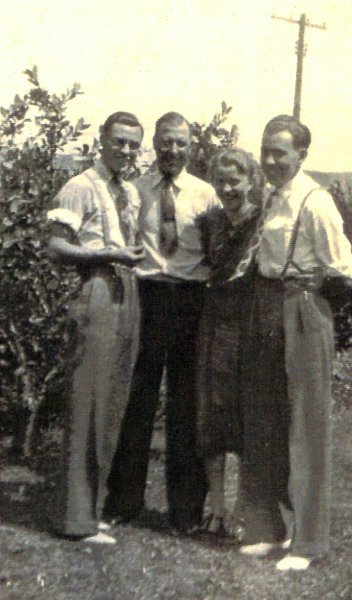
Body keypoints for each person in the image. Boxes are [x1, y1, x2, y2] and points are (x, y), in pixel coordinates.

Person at [239, 115, 352, 570]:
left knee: (306, 424)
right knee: (264, 418)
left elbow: (344, 270)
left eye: (280, 152)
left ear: (301, 155)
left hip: (304, 310)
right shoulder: (272, 196)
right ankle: (270, 528)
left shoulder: (315, 200)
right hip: (267, 305)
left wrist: (316, 282)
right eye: (265, 150)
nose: (269, 160)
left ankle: (308, 542)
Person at [106, 112, 221, 533]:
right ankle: (123, 500)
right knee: (136, 401)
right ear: (154, 144)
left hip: (191, 300)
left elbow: (217, 250)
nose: (172, 151)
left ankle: (186, 510)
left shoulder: (206, 194)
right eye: (165, 143)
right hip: (148, 298)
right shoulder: (136, 192)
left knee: (186, 404)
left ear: (191, 146)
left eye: (180, 143)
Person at [47, 111, 144, 544]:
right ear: (101, 141)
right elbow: (56, 246)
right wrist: (105, 255)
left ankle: (93, 509)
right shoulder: (80, 186)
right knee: (87, 402)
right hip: (97, 289)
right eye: (118, 141)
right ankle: (76, 519)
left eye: (132, 144)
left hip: (127, 289)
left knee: (112, 403)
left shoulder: (128, 191)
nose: (125, 150)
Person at [196, 147, 262, 535]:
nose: (226, 188)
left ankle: (241, 508)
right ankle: (215, 505)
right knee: (212, 409)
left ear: (251, 180)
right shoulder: (209, 222)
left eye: (234, 181)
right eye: (219, 181)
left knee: (245, 412)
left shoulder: (264, 223)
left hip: (249, 325)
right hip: (213, 323)